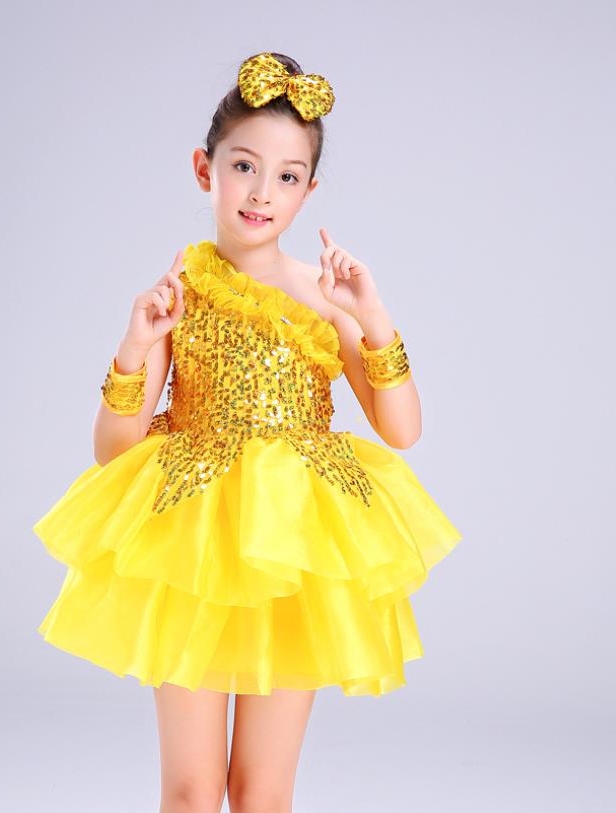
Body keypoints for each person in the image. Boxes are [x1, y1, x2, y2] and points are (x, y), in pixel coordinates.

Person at [33, 51, 462, 813]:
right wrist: (135, 345)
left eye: (287, 176)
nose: (262, 192)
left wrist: (372, 315)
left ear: (309, 190)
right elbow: (112, 451)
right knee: (192, 791)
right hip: (190, 537)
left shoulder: (323, 297)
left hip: (296, 542)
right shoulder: (181, 292)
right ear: (204, 169)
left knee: (261, 792)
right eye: (243, 167)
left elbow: (401, 428)